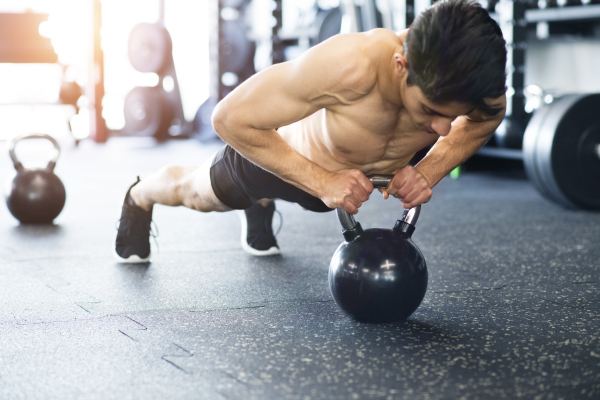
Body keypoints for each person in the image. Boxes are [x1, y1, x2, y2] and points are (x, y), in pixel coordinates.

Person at [115, 0, 507, 262]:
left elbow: (484, 119)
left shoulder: (475, 86)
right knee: (197, 194)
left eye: (451, 116)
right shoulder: (350, 64)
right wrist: (320, 180)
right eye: (430, 111)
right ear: (401, 65)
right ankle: (140, 196)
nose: (441, 129)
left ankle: (262, 205)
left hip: (345, 187)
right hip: (282, 159)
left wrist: (428, 170)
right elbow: (228, 118)